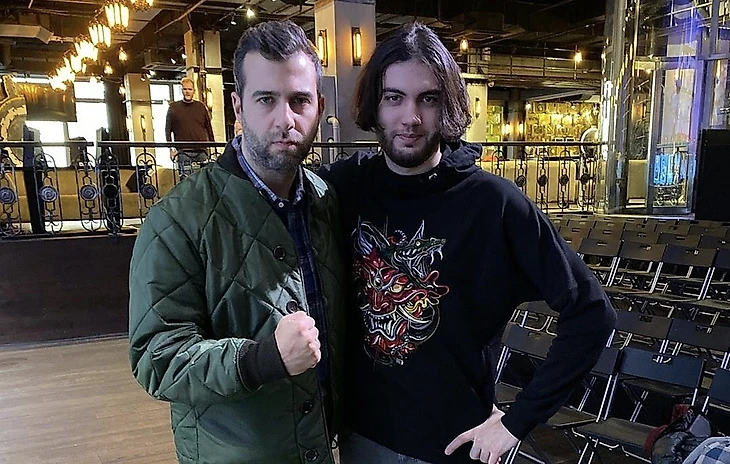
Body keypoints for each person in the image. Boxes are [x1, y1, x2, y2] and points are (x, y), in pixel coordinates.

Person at [319, 22, 616, 464]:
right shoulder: (342, 187)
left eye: (428, 99)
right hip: (361, 437)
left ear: (448, 105)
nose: (410, 118)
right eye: (394, 97)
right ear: (374, 105)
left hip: (453, 445)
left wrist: (518, 421)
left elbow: (592, 312)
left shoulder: (493, 204)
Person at [129, 20, 346, 464]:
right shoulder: (177, 218)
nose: (285, 120)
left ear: (319, 107)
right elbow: (157, 357)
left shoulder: (325, 202)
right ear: (238, 107)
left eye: (299, 100)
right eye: (266, 99)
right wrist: (260, 359)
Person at [165, 76, 215, 175]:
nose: (187, 91)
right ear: (182, 90)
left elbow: (208, 127)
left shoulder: (201, 107)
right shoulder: (173, 108)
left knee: (203, 179)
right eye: (185, 89)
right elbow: (168, 130)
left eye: (190, 89)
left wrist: (213, 146)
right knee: (186, 179)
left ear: (194, 91)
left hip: (201, 150)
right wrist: (171, 149)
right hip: (183, 151)